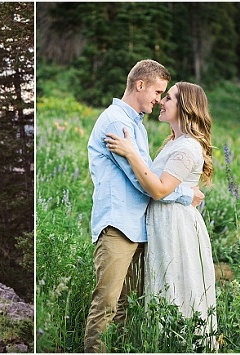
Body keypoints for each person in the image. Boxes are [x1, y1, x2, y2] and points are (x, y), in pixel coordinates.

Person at [84, 59, 204, 353]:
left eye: (165, 94)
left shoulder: (136, 127)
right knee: (107, 305)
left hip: (137, 228)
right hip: (117, 227)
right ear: (140, 85)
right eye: (157, 91)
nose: (159, 99)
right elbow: (143, 182)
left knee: (126, 308)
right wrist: (185, 195)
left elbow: (146, 173)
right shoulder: (116, 123)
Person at [105, 82, 218, 351]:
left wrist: (131, 152)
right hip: (164, 223)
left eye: (169, 98)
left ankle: (182, 346)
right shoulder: (174, 142)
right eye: (162, 96)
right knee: (164, 287)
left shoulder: (188, 147)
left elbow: (158, 189)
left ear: (185, 107)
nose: (161, 102)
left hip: (176, 227)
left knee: (177, 287)